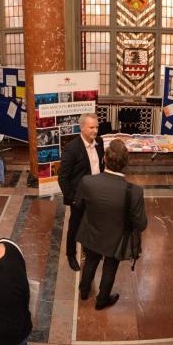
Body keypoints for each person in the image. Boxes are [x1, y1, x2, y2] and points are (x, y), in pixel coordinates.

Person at [74, 140, 147, 310]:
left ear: (104, 159)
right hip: (116, 240)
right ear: (126, 163)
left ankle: (84, 291)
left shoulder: (88, 182)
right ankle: (102, 300)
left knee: (90, 261)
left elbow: (78, 205)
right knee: (110, 269)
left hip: (91, 233)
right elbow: (141, 224)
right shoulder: (135, 192)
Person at [58, 113, 105, 272]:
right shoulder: (72, 149)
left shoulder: (99, 142)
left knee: (92, 223)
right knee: (74, 226)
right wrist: (72, 199)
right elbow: (63, 177)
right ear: (82, 128)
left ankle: (88, 248)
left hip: (96, 194)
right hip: (79, 197)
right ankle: (71, 254)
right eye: (91, 127)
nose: (95, 131)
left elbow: (100, 166)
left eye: (97, 127)